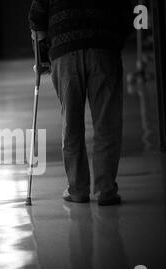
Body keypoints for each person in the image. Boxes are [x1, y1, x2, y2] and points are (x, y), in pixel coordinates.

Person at [29, 0, 134, 206]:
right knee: (107, 123)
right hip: (104, 49)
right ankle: (106, 190)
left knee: (71, 123)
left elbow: (36, 19)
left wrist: (41, 57)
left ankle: (77, 189)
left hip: (65, 53)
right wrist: (117, 40)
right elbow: (127, 13)